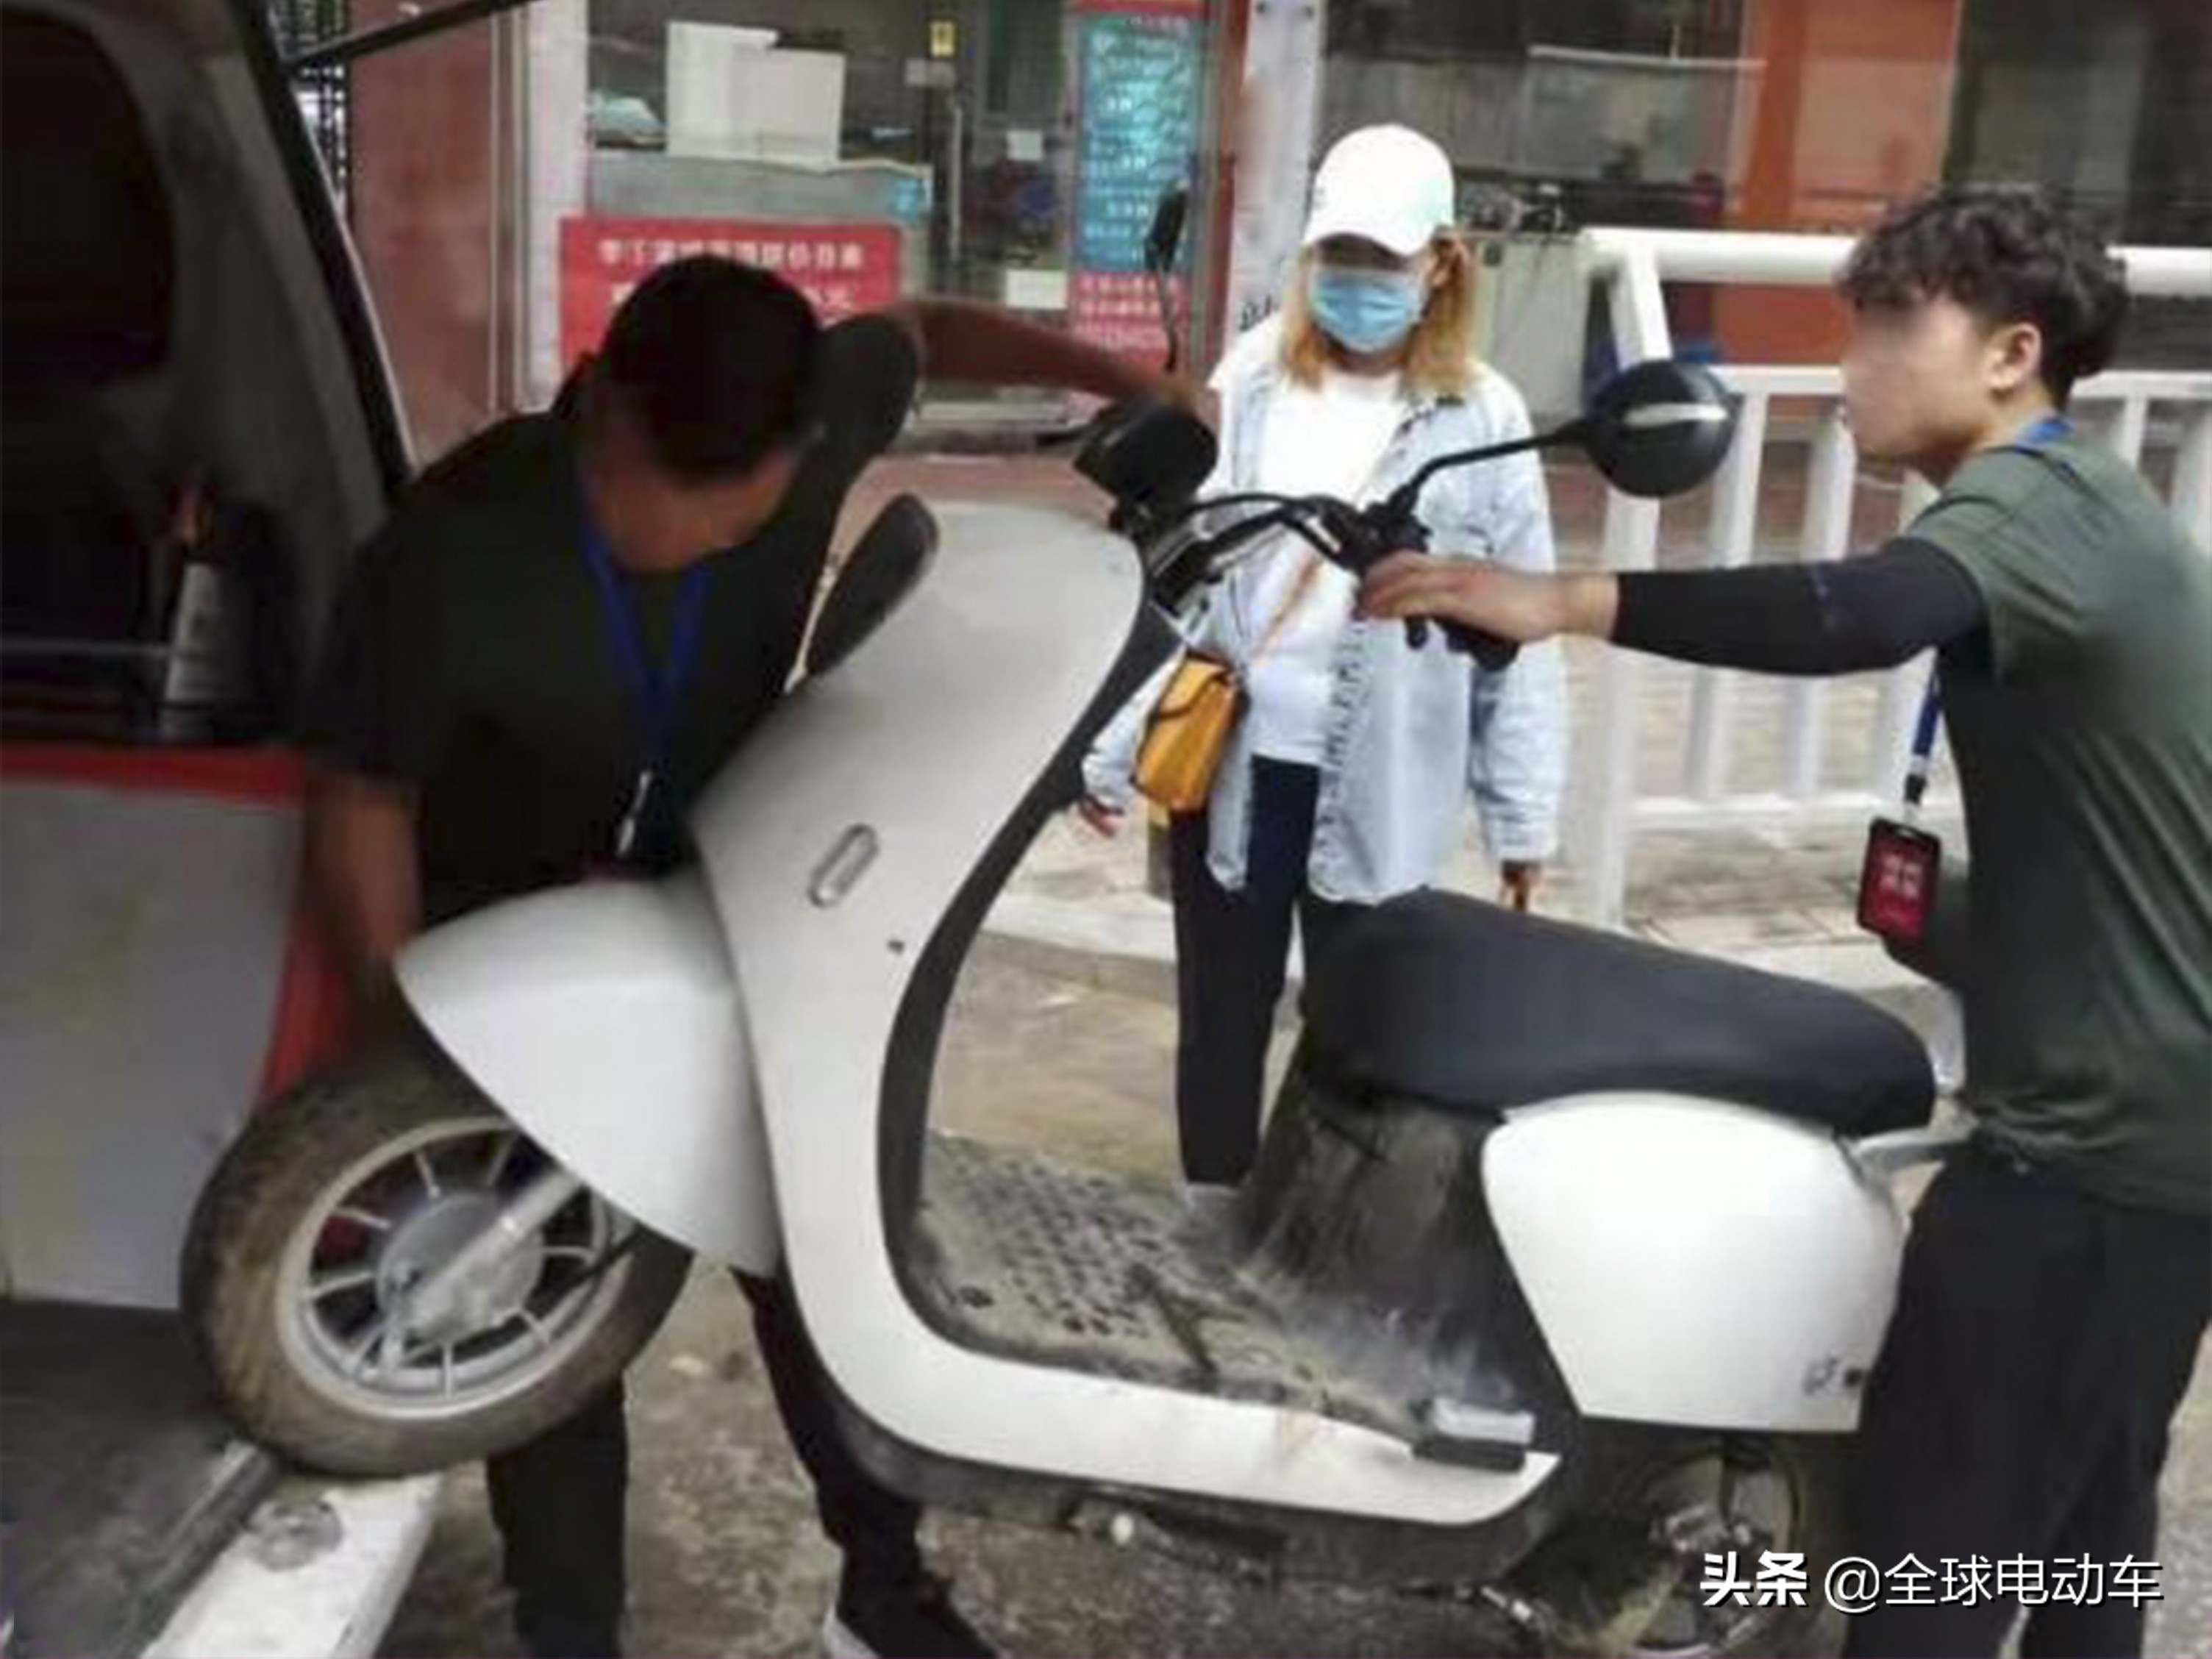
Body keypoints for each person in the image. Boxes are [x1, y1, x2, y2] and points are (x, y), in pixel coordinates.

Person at [1360, 186, 2210, 1659]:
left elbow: (1854, 615)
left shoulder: (2031, 504)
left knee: (1928, 1546)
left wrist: (1564, 599)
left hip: (2094, 1152)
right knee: (2081, 1520)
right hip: (2160, 1128)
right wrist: (1964, 921)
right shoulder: (2097, 511)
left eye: (1891, 325)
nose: (1852, 362)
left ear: (2011, 355)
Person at [302, 257, 1189, 1659]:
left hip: (720, 915)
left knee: (812, 1247)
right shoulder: (450, 549)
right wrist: (406, 1041)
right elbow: (362, 798)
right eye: (679, 520)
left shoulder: (814, 410)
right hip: (522, 965)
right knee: (558, 1306)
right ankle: (572, 1630)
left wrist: (1127, 379)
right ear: (604, 416)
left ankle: (882, 1585)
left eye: (750, 521)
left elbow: (920, 326)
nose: (716, 547)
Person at [1081, 125, 1567, 1189]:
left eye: (1383, 262)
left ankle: (1325, 1226)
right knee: (1221, 1021)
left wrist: (1523, 814)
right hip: (1237, 765)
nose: (1356, 284)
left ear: (1440, 262)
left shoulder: (1483, 416)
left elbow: (1520, 630)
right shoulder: (1256, 378)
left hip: (1390, 778)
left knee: (1365, 1033)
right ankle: (1216, 1208)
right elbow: (1182, 576)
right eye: (1338, 259)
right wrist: (1110, 746)